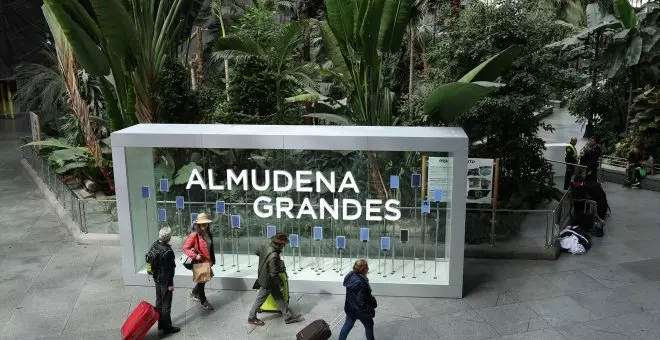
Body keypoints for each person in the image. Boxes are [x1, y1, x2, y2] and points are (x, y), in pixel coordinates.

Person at [248, 232, 301, 326]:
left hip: (265, 276)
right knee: (260, 299)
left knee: (279, 297)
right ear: (279, 244)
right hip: (268, 281)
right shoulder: (274, 255)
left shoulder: (266, 246)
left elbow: (257, 252)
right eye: (283, 244)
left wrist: (264, 259)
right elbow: (273, 273)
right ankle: (251, 317)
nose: (284, 246)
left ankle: (288, 316)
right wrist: (279, 284)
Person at [183, 213, 215, 310]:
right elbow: (185, 248)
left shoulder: (208, 234)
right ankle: (203, 301)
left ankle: (193, 293)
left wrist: (212, 260)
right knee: (202, 282)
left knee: (204, 280)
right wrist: (195, 256)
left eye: (206, 224)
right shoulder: (194, 235)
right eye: (202, 224)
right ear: (198, 225)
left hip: (207, 261)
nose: (204, 226)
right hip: (199, 262)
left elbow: (210, 248)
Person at [338, 259, 377, 340]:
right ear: (363, 270)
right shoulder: (361, 283)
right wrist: (370, 310)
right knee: (369, 326)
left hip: (350, 308)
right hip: (361, 311)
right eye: (367, 268)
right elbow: (361, 302)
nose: (368, 269)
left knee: (347, 326)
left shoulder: (351, 276)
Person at [152, 227, 180, 335]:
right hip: (165, 280)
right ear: (168, 238)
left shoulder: (154, 245)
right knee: (166, 304)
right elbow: (169, 270)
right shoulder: (167, 251)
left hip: (156, 278)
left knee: (159, 301)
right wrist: (170, 284)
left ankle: (160, 324)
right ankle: (167, 328)